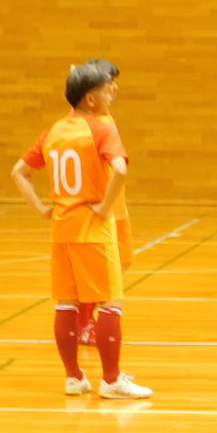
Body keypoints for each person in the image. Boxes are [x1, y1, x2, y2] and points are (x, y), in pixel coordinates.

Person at [11, 64, 152, 398]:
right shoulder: (101, 129)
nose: (112, 93)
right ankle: (112, 380)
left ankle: (74, 377)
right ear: (90, 98)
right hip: (93, 228)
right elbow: (120, 170)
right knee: (111, 302)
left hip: (62, 228)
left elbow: (18, 172)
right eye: (107, 88)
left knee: (66, 304)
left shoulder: (53, 131)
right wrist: (104, 207)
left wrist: (41, 209)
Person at [74, 59, 134, 346]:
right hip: (100, 208)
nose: (115, 88)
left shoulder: (106, 119)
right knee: (99, 273)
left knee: (119, 264)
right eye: (110, 83)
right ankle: (85, 323)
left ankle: (91, 322)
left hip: (116, 206)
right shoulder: (87, 124)